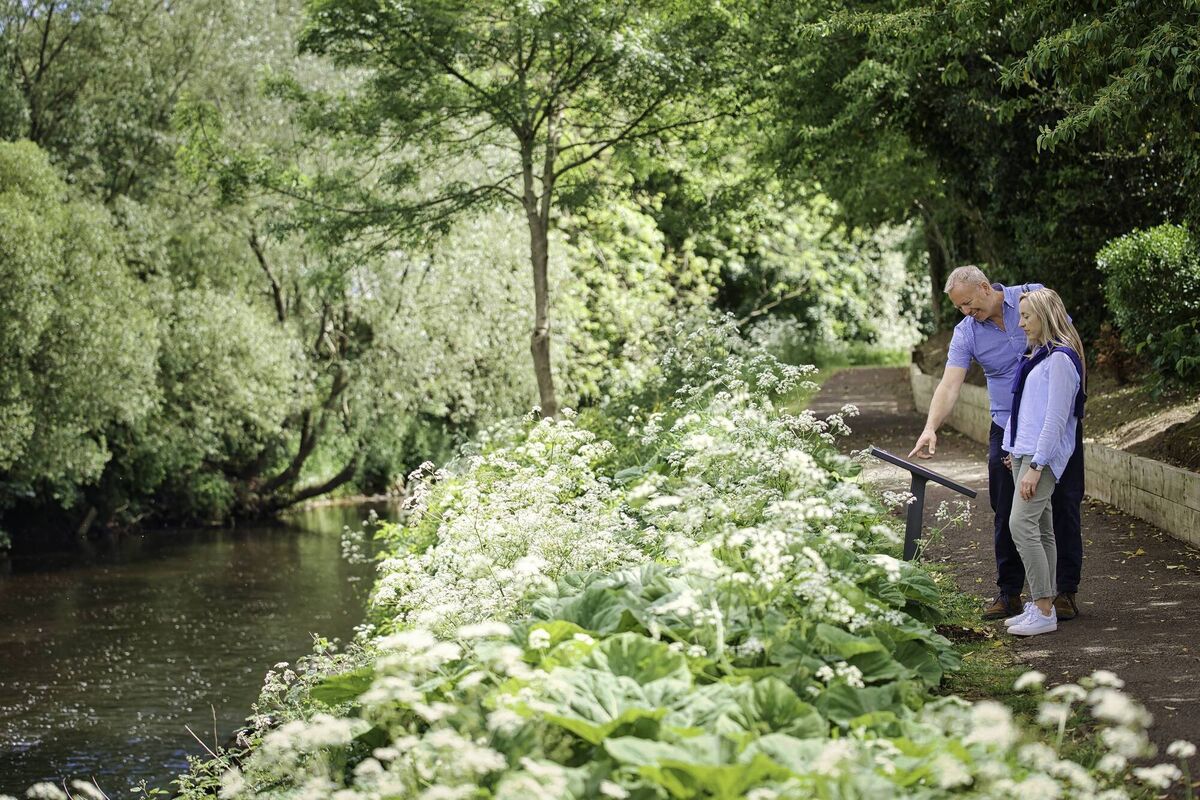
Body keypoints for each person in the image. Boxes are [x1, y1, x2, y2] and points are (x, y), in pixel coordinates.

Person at [908, 266, 1084, 620]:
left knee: (1063, 505)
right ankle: (1010, 592)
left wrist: (1075, 409)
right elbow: (949, 384)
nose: (966, 312)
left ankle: (1064, 592)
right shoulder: (967, 333)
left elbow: (1071, 345)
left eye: (969, 303)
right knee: (1007, 511)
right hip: (1007, 429)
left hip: (1053, 426)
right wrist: (931, 426)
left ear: (986, 287)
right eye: (959, 308)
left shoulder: (1031, 298)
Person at [1001, 288, 1086, 636]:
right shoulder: (1038, 356)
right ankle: (1042, 604)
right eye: (1020, 316)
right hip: (1025, 452)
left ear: (1045, 316)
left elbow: (1055, 420)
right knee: (1042, 529)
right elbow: (1025, 410)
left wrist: (1036, 466)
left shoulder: (1061, 360)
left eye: (1026, 316)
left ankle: (1043, 608)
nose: (1020, 323)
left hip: (1042, 458)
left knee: (1020, 525)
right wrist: (1012, 448)